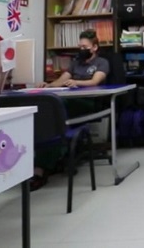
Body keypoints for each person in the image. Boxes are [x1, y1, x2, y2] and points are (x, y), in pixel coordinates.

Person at [32, 29, 110, 190]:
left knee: (55, 111)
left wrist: (77, 82)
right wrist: (48, 85)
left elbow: (95, 82)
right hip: (69, 102)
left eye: (85, 47)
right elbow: (61, 81)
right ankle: (46, 163)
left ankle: (43, 166)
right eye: (80, 46)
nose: (81, 49)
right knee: (49, 113)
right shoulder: (75, 63)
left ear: (94, 47)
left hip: (88, 103)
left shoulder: (102, 62)